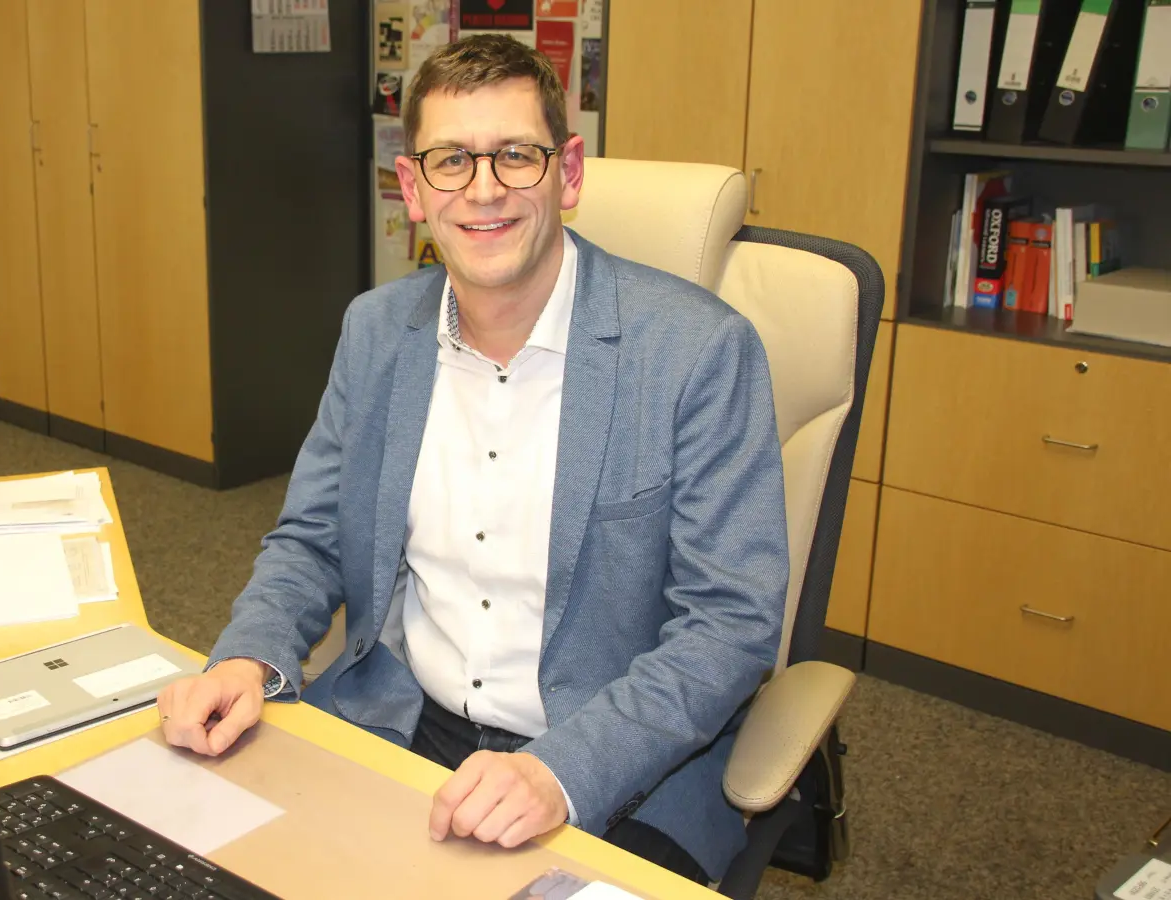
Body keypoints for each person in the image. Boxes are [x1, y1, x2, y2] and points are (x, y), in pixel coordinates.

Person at [156, 34, 788, 886]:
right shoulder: (376, 333)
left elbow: (729, 628)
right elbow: (309, 540)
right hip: (402, 726)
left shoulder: (696, 352)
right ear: (413, 189)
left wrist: (561, 772)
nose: (483, 190)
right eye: (451, 160)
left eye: (515, 157)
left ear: (567, 173)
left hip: (618, 765)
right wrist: (247, 655)